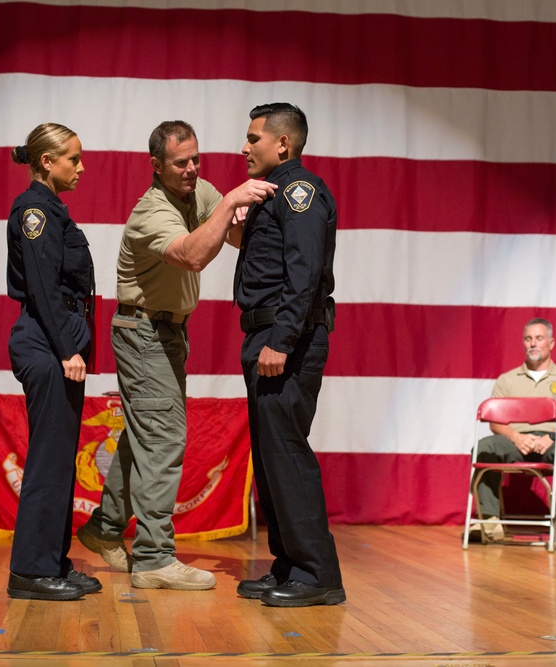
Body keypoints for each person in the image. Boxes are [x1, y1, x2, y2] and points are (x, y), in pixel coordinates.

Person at [77, 120, 276, 590]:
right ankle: (153, 558)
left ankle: (104, 528)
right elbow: (191, 254)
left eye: (195, 159)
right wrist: (230, 202)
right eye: (180, 162)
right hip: (143, 331)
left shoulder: (198, 191)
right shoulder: (152, 211)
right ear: (156, 166)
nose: (191, 169)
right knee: (164, 442)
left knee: (147, 436)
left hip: (167, 333)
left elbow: (230, 237)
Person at [232, 103, 344, 607]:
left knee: (287, 454)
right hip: (266, 336)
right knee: (270, 456)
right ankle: (288, 564)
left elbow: (303, 273)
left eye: (254, 138)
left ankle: (317, 573)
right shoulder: (272, 196)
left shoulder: (299, 192)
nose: (245, 146)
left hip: (285, 340)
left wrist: (281, 340)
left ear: (283, 143)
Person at [4, 123, 100, 600]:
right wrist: (68, 350)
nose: (81, 167)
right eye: (73, 159)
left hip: (56, 338)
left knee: (60, 459)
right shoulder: (35, 211)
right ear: (47, 161)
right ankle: (30, 570)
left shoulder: (52, 208)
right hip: (46, 342)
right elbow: (43, 289)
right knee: (48, 460)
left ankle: (53, 564)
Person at [471, 318, 556, 545]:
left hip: (553, 440)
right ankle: (490, 522)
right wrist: (516, 436)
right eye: (528, 338)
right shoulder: (507, 380)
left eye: (539, 338)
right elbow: (495, 422)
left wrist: (550, 437)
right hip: (515, 441)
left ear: (551, 343)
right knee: (483, 447)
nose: (533, 343)